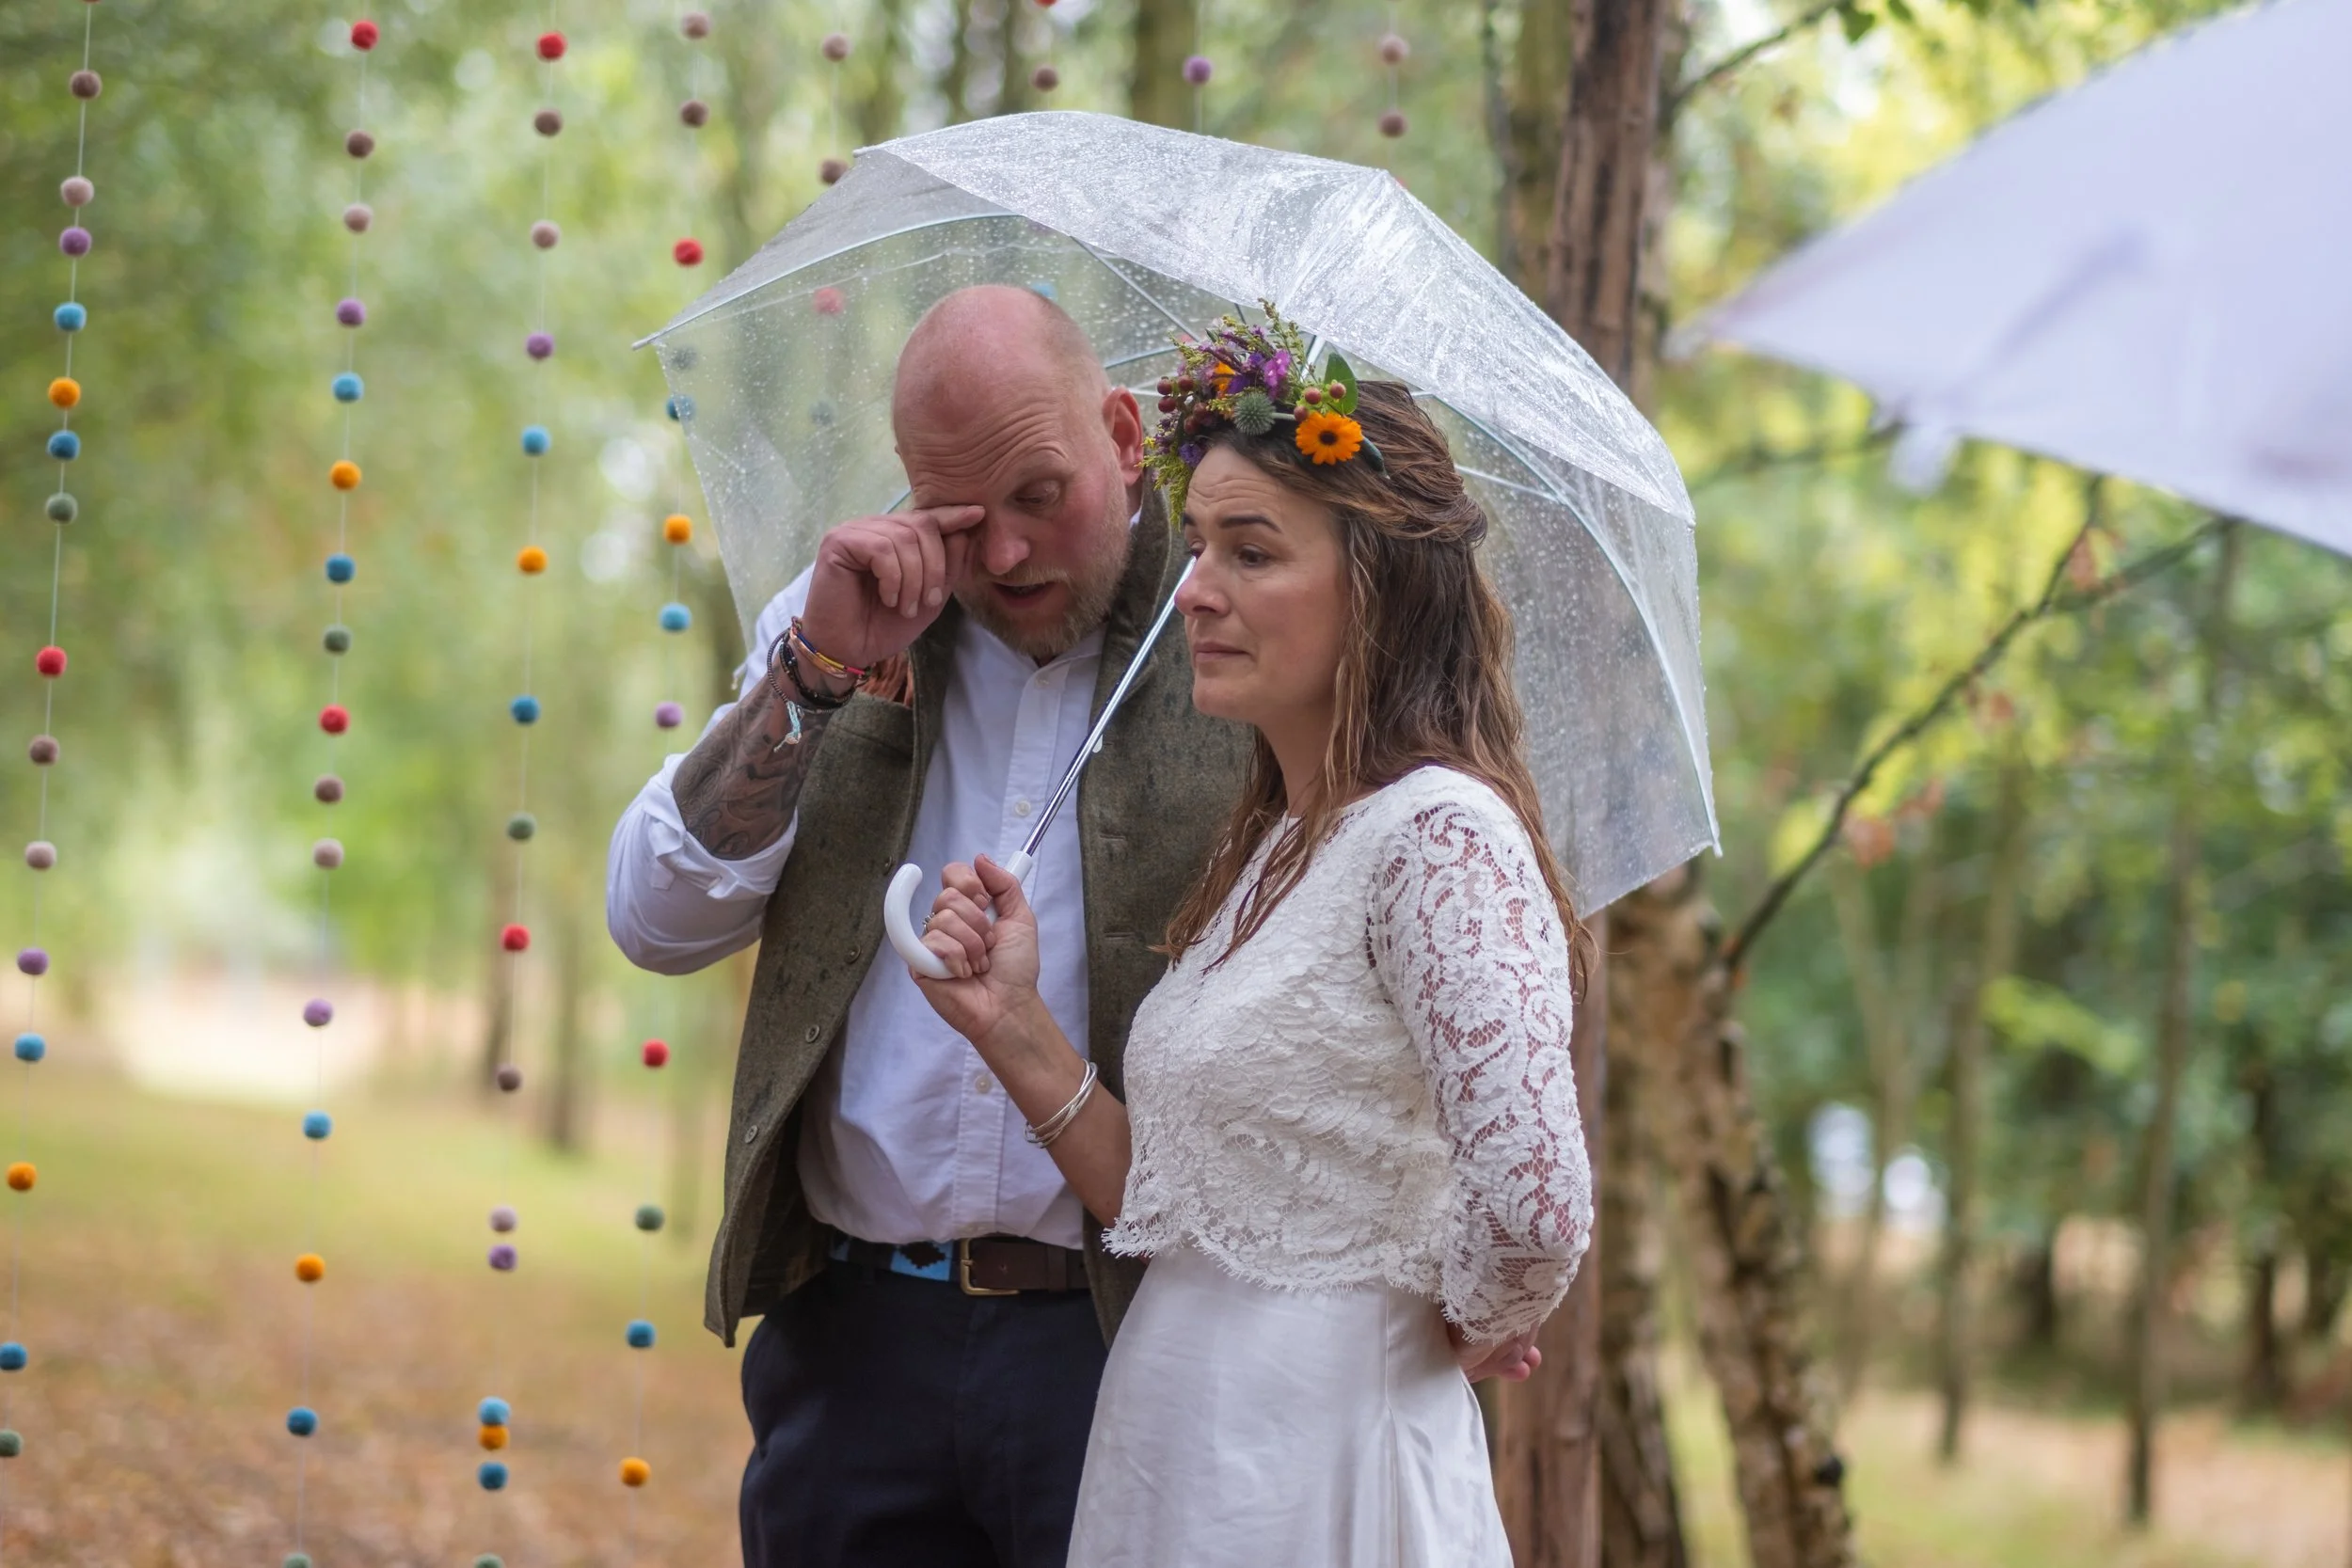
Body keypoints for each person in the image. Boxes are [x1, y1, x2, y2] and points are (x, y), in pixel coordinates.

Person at [909, 310, 1594, 1566]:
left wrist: (1457, 1328)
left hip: (1322, 1466)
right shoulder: (1279, 849)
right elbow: (1175, 1203)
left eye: (1252, 551)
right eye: (1201, 545)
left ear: (1374, 584)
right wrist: (1011, 1021)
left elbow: (1538, 1207)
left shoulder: (1438, 839)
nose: (1197, 590)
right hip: (1180, 1452)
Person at [604, 284, 1252, 1567]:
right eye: (960, 515)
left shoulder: (1235, 626)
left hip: (1122, 1344)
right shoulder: (839, 611)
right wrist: (814, 669)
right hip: (854, 1352)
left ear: (1126, 436)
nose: (1004, 555)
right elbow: (654, 916)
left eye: (1038, 494)